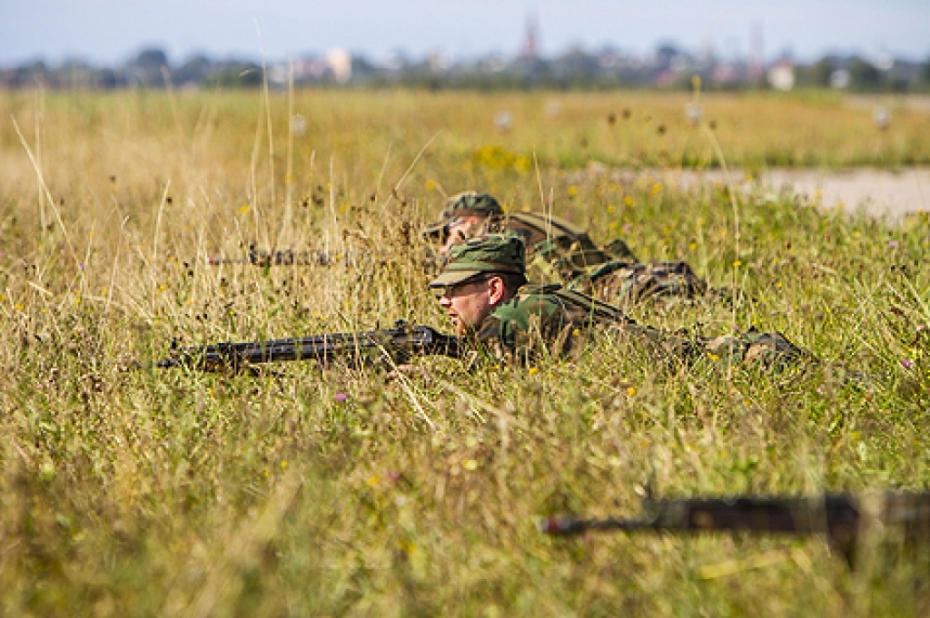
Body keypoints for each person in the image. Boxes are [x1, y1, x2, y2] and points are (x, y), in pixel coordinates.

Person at [428, 233, 813, 367]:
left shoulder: (521, 314)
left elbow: (478, 373)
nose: (445, 302)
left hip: (742, 361)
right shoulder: (531, 302)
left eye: (453, 290)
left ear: (494, 289)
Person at [423, 191, 715, 308]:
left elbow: (462, 270)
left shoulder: (494, 236)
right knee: (710, 299)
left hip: (613, 288)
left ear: (468, 221)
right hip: (635, 273)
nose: (443, 241)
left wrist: (449, 251)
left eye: (446, 232)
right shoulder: (528, 220)